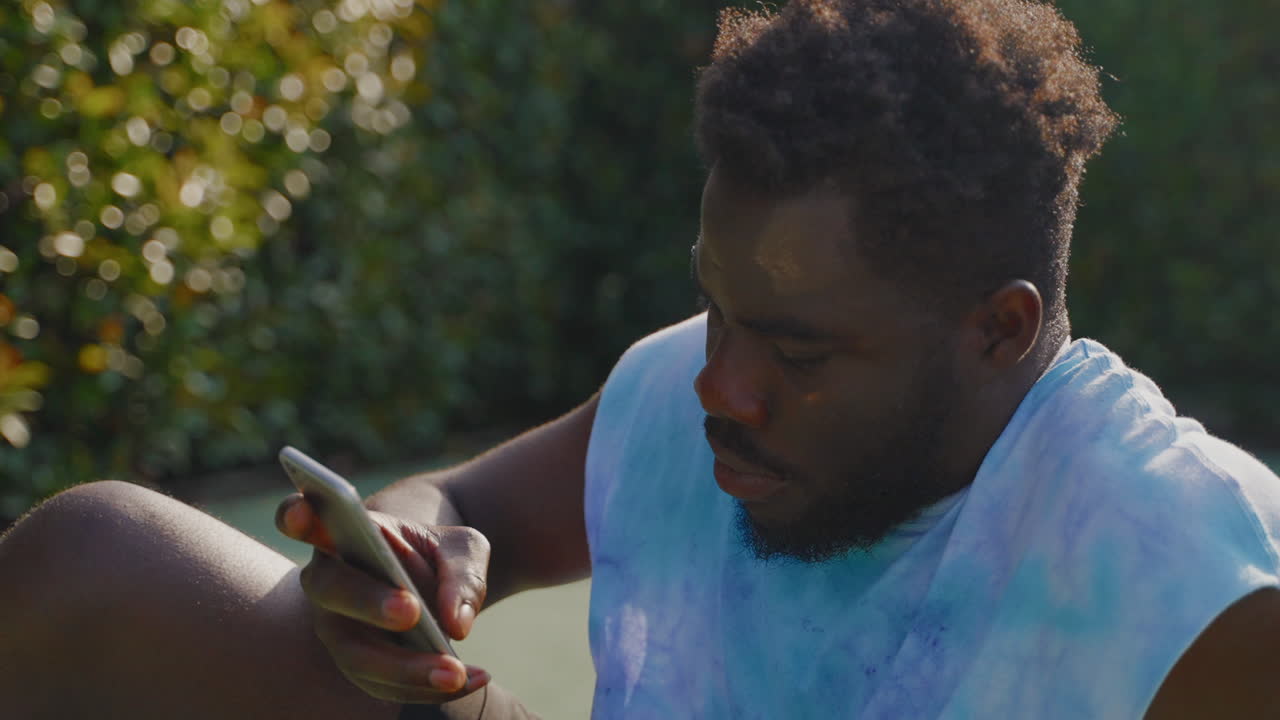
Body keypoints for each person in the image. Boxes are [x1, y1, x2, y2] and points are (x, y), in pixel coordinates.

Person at [2, 0, 1279, 717]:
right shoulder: (695, 393)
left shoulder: (1197, 587)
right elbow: (471, 504)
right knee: (97, 558)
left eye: (796, 347)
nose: (721, 383)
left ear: (998, 330)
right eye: (715, 307)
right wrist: (408, 548)